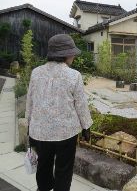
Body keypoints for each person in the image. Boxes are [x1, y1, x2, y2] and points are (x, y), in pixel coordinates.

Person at [26, 34, 93, 191]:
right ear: (66, 54)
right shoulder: (74, 75)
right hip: (66, 133)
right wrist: (86, 127)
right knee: (64, 168)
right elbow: (81, 104)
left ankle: (43, 188)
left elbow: (30, 100)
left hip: (40, 132)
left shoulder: (36, 72)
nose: (74, 56)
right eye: (72, 53)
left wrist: (29, 123)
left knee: (43, 165)